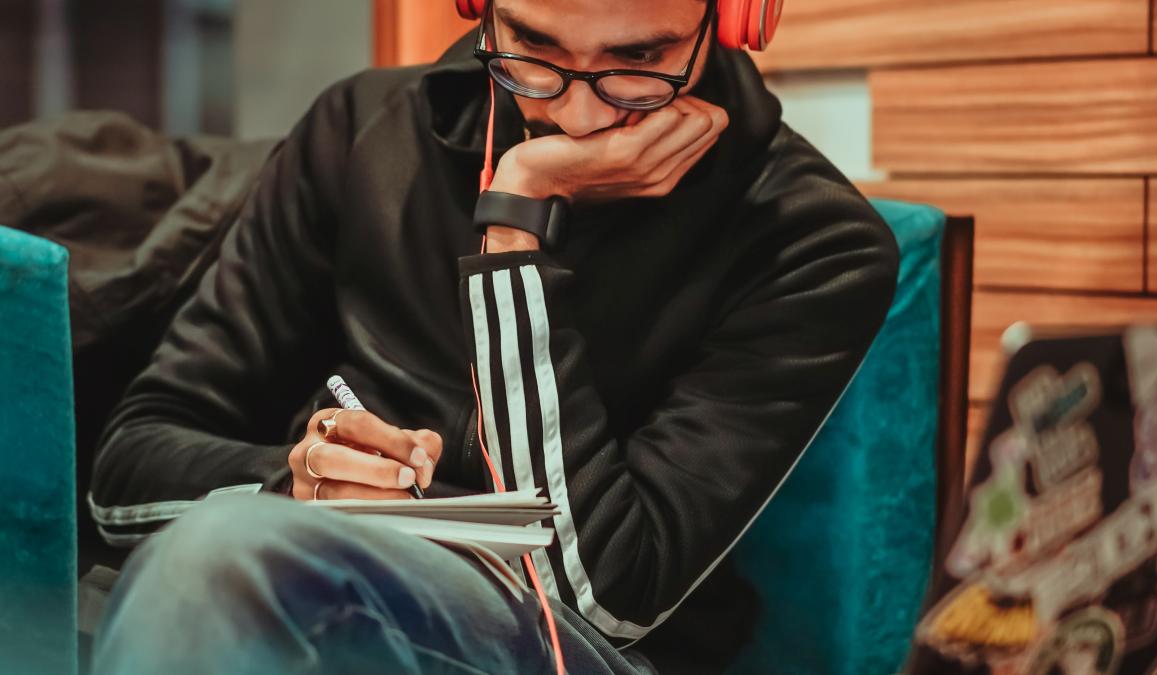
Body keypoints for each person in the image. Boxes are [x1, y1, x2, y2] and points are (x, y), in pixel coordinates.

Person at [88, 0, 899, 673]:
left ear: (736, 19)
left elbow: (597, 600)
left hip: (571, 647)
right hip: (304, 577)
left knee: (219, 563)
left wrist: (517, 223)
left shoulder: (813, 240)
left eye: (640, 58)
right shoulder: (359, 128)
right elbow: (124, 475)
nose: (575, 114)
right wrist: (289, 482)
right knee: (222, 559)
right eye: (532, 45)